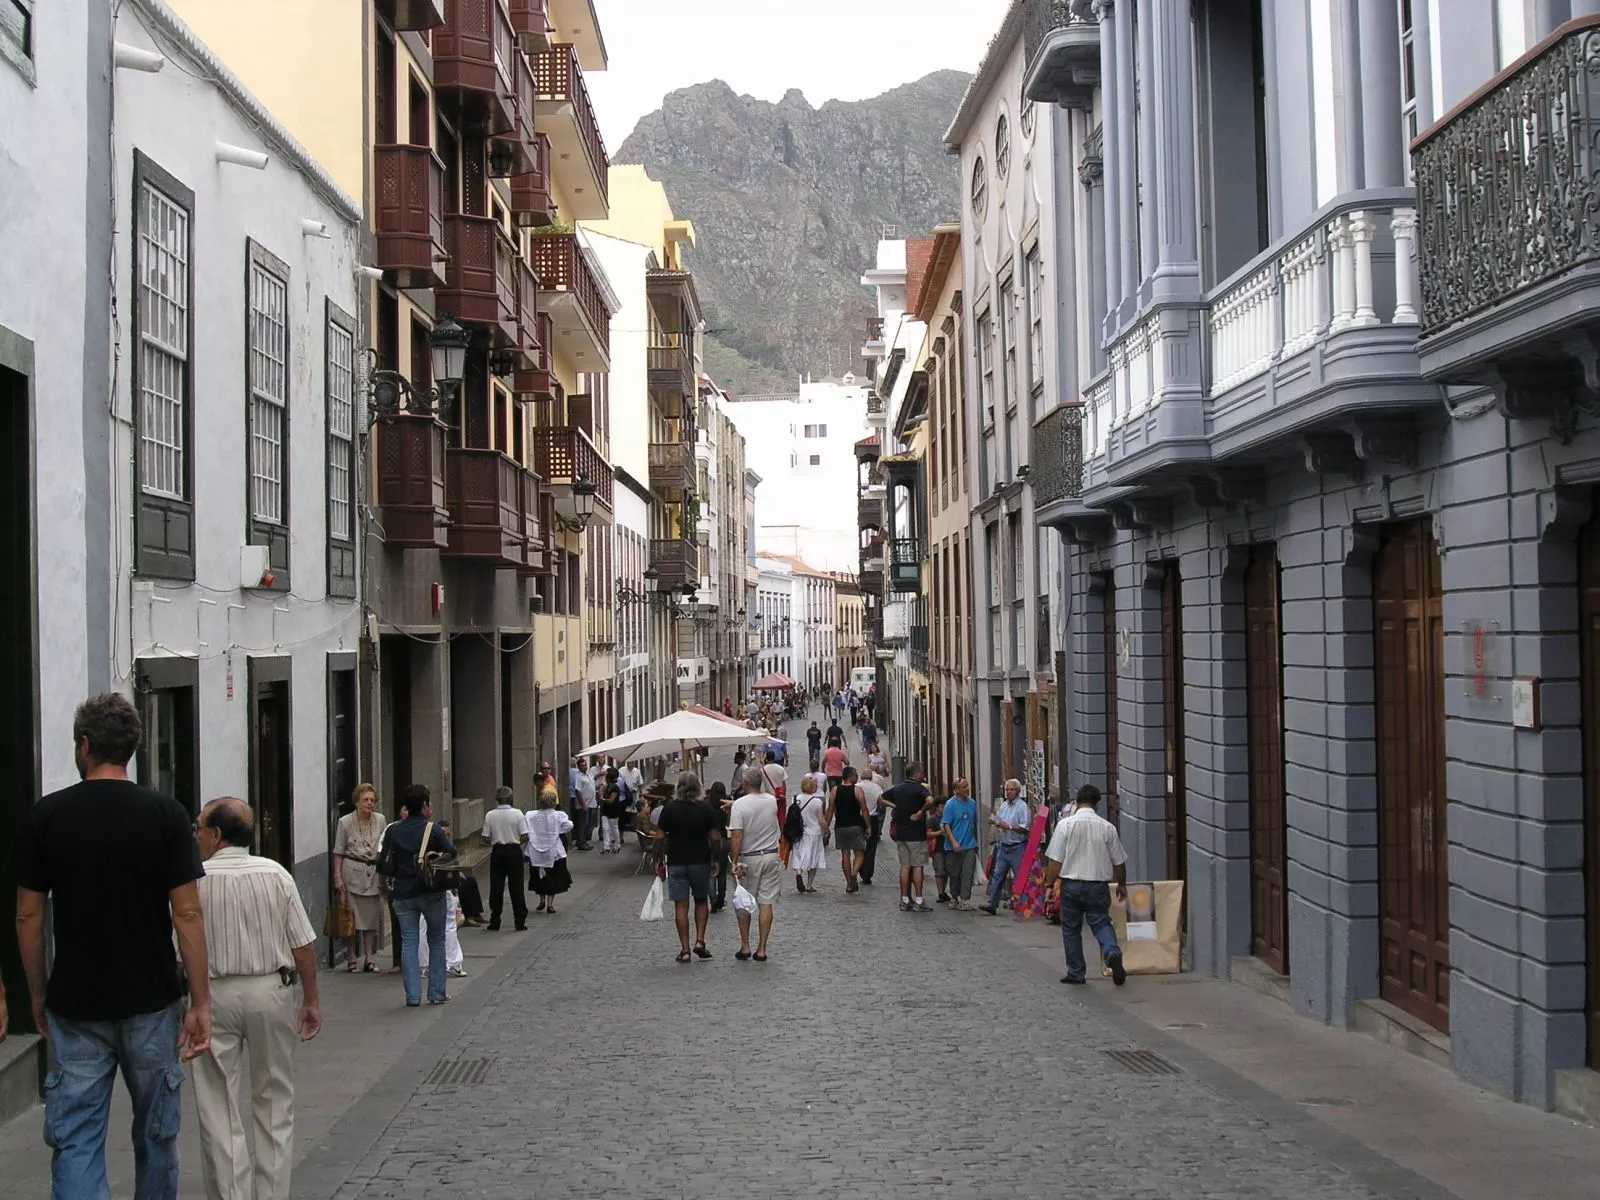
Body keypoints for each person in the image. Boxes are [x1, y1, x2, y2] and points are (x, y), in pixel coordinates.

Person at [15, 693, 212, 1200]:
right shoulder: (166, 815)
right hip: (151, 1000)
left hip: (76, 1003)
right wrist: (200, 1000)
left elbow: (29, 915)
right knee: (157, 1136)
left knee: (76, 1138)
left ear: (84, 745)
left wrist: (37, 992)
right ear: (132, 748)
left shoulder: (46, 816)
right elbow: (187, 913)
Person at [191, 797, 321, 1200]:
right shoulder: (276, 874)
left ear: (215, 834)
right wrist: (311, 999)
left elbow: (182, 948)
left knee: (217, 1103)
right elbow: (302, 945)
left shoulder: (195, 879)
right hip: (270, 989)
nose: (196, 835)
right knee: (274, 1099)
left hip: (214, 992)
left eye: (199, 828)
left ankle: (231, 1194)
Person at [1041, 785, 1129, 986]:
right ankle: (1111, 952)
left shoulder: (1065, 825)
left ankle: (1076, 972)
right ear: (1097, 804)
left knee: (1071, 928)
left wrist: (1049, 885)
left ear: (1077, 803)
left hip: (1071, 886)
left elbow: (1055, 861)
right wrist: (1121, 884)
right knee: (1101, 922)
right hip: (1098, 886)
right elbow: (1119, 861)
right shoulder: (1107, 827)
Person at [381, 784, 456, 1007]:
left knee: (409, 941)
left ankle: (413, 996)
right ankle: (436, 992)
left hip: (402, 893)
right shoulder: (433, 830)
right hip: (430, 891)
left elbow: (384, 862)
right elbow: (451, 852)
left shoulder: (393, 830)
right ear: (424, 805)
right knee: (437, 939)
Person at [655, 772, 722, 962]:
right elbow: (715, 838)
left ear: (678, 787)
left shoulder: (669, 808)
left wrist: (657, 860)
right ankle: (699, 940)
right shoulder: (705, 809)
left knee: (681, 905)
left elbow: (659, 837)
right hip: (700, 861)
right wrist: (716, 860)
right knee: (701, 901)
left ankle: (685, 950)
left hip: (676, 862)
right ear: (698, 787)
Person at [728, 767, 784, 962]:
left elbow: (736, 835)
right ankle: (762, 949)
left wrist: (734, 861)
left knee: (744, 901)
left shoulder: (739, 806)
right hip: (770, 856)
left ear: (744, 784)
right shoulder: (771, 801)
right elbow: (759, 807)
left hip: (748, 859)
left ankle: (745, 946)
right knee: (766, 902)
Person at [332, 782, 387, 972]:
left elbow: (383, 846)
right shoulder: (345, 822)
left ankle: (369, 958)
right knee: (351, 918)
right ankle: (352, 957)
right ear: (357, 802)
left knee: (370, 919)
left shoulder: (380, 820)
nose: (369, 803)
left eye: (372, 800)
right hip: (352, 873)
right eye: (365, 800)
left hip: (373, 874)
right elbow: (338, 851)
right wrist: (337, 877)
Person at [883, 761, 933, 912]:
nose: (923, 775)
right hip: (917, 834)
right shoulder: (920, 789)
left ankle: (904, 899)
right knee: (917, 866)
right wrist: (921, 812)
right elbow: (930, 801)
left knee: (905, 866)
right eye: (922, 772)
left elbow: (881, 798)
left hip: (901, 833)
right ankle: (919, 900)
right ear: (917, 773)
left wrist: (895, 806)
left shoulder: (898, 788)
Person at [980, 779, 1032, 914]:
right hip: (1003, 846)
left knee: (1020, 877)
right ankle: (992, 904)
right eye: (1007, 789)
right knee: (997, 875)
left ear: (1018, 791)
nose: (1008, 792)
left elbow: (1025, 827)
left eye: (1011, 789)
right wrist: (994, 820)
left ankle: (1022, 906)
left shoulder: (1022, 807)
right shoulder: (1004, 805)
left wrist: (1008, 826)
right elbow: (999, 820)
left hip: (1017, 846)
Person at [483, 785, 530, 931]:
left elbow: (485, 837)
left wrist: (495, 838)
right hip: (514, 851)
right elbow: (525, 835)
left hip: (498, 851)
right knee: (516, 886)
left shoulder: (490, 815)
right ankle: (520, 920)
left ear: (497, 799)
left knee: (496, 886)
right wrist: (515, 840)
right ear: (511, 798)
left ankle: (495, 919)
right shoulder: (517, 814)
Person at [525, 786, 574, 914]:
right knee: (553, 876)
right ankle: (550, 904)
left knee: (539, 875)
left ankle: (541, 900)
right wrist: (559, 831)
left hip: (535, 850)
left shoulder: (531, 815)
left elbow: (525, 828)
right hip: (554, 851)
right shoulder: (558, 815)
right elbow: (569, 825)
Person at [825, 767, 869, 894]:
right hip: (856, 825)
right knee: (859, 853)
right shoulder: (857, 790)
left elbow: (830, 810)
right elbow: (864, 809)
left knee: (845, 854)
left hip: (840, 826)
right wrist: (868, 826)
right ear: (850, 776)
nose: (857, 777)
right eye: (855, 775)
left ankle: (849, 883)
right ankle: (854, 873)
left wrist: (826, 827)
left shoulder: (835, 790)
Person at [939, 779, 980, 910]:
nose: (967, 789)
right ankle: (954, 897)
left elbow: (974, 822)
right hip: (954, 847)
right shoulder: (950, 805)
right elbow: (946, 825)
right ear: (956, 790)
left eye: (967, 786)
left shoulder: (972, 803)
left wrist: (974, 841)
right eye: (963, 787)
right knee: (955, 874)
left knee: (967, 873)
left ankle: (965, 900)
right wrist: (954, 842)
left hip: (969, 845)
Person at [787, 776, 829, 893]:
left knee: (798, 854)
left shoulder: (795, 799)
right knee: (814, 857)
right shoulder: (817, 802)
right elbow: (821, 820)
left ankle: (798, 873)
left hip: (799, 831)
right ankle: (809, 885)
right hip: (814, 832)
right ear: (812, 787)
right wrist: (826, 830)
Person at [705, 780, 733, 912]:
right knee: (721, 872)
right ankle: (721, 898)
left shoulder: (707, 806)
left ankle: (713, 898)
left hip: (709, 841)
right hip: (723, 839)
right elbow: (729, 823)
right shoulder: (725, 807)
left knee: (711, 872)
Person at [857, 767, 885, 886]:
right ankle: (867, 874)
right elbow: (881, 803)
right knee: (871, 847)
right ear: (871, 777)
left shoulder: (856, 787)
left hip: (858, 818)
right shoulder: (877, 788)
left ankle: (859, 868)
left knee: (859, 846)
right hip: (872, 818)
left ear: (861, 776)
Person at [572, 756, 597, 851]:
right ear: (578, 767)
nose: (584, 767)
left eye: (585, 765)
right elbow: (577, 791)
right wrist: (583, 804)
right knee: (582, 824)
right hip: (584, 805)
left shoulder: (588, 775)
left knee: (588, 824)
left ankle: (584, 841)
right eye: (582, 766)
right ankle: (581, 842)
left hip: (591, 803)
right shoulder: (578, 777)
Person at [600, 767, 626, 853]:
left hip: (613, 810)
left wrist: (602, 800)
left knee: (614, 827)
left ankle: (617, 845)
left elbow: (611, 800)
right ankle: (606, 846)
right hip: (605, 810)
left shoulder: (615, 788)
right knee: (605, 828)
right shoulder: (607, 787)